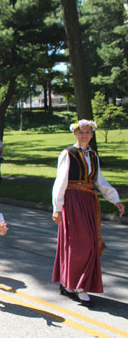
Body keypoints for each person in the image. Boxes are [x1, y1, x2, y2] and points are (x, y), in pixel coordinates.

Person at [52, 120, 125, 306]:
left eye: (87, 132)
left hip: (88, 201)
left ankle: (73, 284)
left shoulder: (93, 155)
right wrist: (57, 207)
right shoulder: (68, 153)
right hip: (73, 201)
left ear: (92, 134)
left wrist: (115, 199)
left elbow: (99, 180)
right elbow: (60, 182)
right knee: (78, 245)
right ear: (75, 134)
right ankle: (77, 286)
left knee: (91, 244)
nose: (84, 135)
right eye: (81, 132)